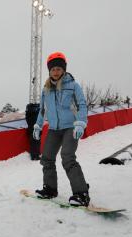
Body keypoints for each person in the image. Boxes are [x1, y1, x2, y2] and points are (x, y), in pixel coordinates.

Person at [32, 52, 90, 206]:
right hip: (53, 129)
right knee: (47, 158)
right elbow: (42, 110)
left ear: (63, 69)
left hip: (70, 128)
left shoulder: (73, 86)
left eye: (58, 68)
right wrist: (38, 126)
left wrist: (80, 123)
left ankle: (81, 193)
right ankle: (50, 189)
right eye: (53, 69)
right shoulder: (46, 90)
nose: (55, 72)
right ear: (49, 71)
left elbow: (82, 105)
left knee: (67, 157)